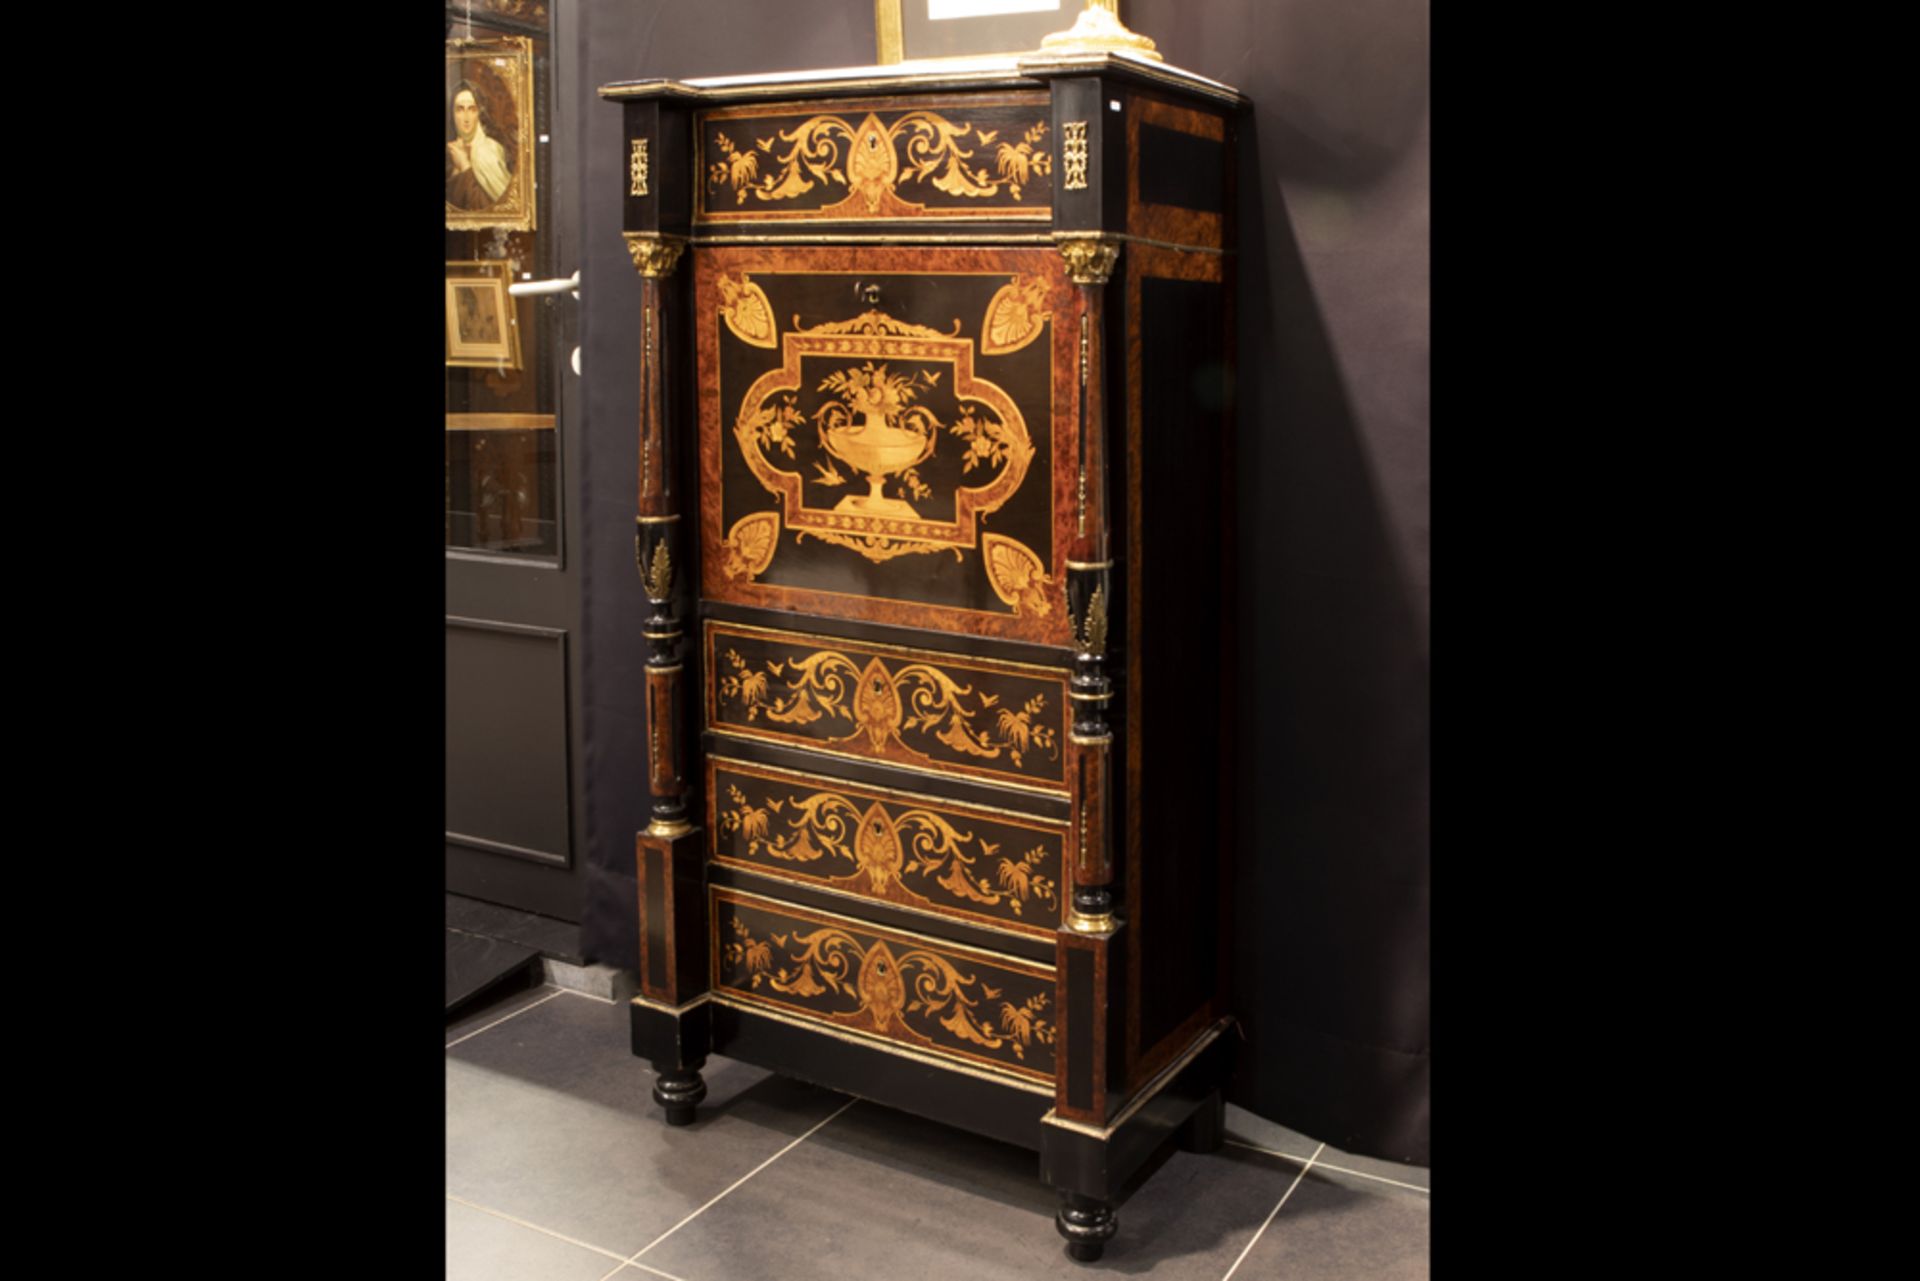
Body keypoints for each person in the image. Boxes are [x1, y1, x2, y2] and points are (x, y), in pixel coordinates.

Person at [447, 79, 514, 210]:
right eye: (460, 109)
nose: (466, 118)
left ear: (480, 113)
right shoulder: (450, 150)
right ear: (452, 114)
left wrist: (465, 166)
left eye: (472, 109)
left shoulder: (489, 150)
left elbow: (491, 209)